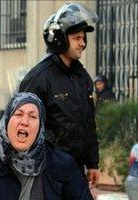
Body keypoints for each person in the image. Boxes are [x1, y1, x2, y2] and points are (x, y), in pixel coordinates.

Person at [19, 3, 101, 184]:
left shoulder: (82, 76)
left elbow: (88, 122)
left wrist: (92, 162)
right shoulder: (38, 78)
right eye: (77, 38)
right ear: (60, 39)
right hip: (49, 170)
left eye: (83, 38)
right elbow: (23, 128)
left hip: (76, 169)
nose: (82, 43)